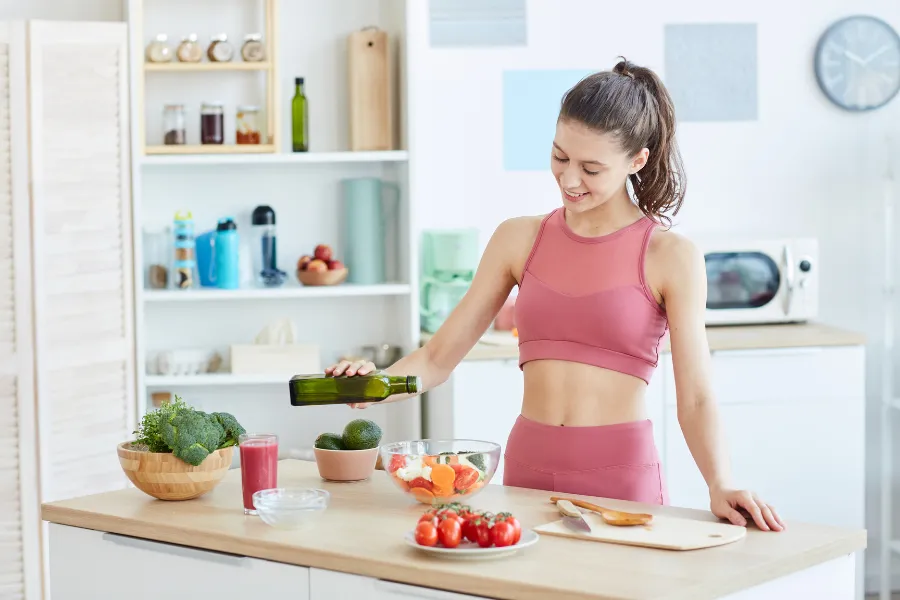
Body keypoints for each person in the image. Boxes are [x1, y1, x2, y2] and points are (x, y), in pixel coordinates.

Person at [327, 57, 784, 532]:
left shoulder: (671, 255)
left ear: (637, 160)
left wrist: (720, 482)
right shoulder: (518, 238)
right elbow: (438, 358)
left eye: (590, 168)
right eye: (560, 157)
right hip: (528, 471)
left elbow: (695, 397)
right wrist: (373, 387)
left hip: (621, 477)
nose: (569, 179)